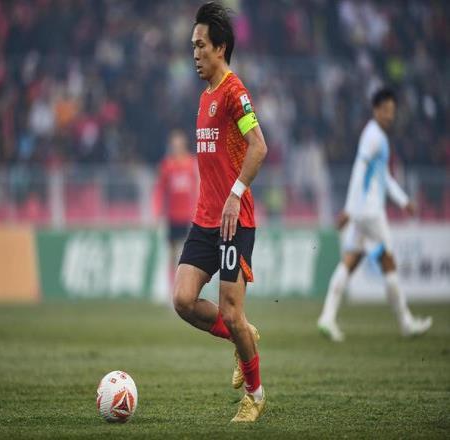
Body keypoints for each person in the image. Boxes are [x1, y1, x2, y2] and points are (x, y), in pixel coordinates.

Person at [173, 2, 268, 422]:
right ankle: (241, 336)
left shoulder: (234, 93)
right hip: (204, 218)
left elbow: (259, 146)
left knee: (231, 311)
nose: (194, 53)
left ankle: (255, 395)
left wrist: (235, 194)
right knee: (183, 300)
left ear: (220, 48)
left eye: (201, 45)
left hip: (234, 219)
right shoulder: (205, 96)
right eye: (192, 46)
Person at [317, 87, 432, 342]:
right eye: (386, 110)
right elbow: (359, 171)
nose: (390, 115)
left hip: (362, 211)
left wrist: (403, 200)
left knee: (351, 260)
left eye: (392, 111)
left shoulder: (376, 136)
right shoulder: (374, 137)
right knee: (388, 261)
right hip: (369, 211)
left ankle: (327, 317)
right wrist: (348, 209)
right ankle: (406, 323)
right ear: (376, 110)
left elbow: (384, 177)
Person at [153, 129, 198, 275]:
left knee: (188, 251)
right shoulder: (167, 166)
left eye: (179, 144)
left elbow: (197, 187)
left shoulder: (191, 164)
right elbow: (160, 189)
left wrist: (198, 209)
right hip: (172, 215)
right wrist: (157, 211)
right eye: (174, 144)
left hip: (188, 215)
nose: (177, 147)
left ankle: (187, 282)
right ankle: (172, 282)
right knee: (172, 252)